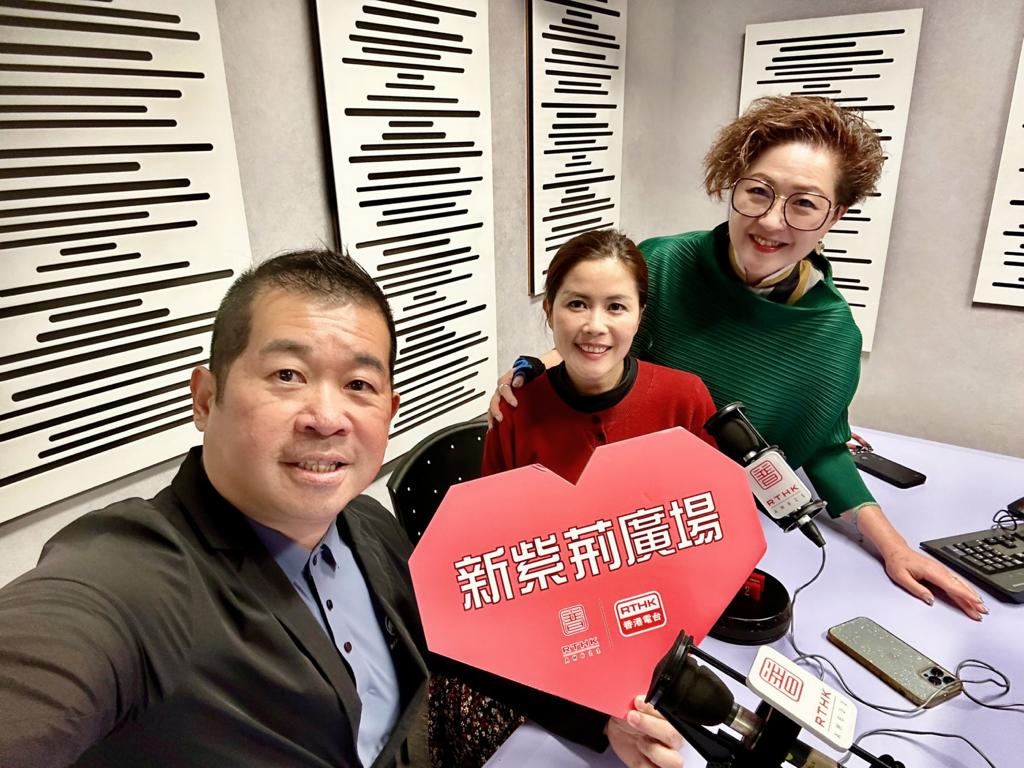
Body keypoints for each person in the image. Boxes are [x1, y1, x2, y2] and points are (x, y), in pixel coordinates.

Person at [0, 249, 683, 767]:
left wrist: (600, 722)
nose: (326, 417)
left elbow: (464, 648)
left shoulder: (368, 524)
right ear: (206, 398)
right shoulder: (131, 581)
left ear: (389, 410)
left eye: (358, 384)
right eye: (287, 375)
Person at [491, 96, 986, 621]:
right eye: (758, 192)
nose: (771, 221)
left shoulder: (832, 337)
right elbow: (601, 341)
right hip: (604, 525)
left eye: (804, 203)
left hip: (707, 532)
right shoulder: (662, 264)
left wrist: (893, 547)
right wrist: (534, 367)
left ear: (834, 216)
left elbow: (822, 447)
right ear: (732, 186)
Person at [430, 229, 713, 767]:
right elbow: (496, 555)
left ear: (640, 315)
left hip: (660, 629)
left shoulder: (685, 399)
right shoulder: (516, 412)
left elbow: (706, 531)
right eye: (577, 303)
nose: (595, 325)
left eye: (616, 306)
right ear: (549, 310)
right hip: (556, 634)